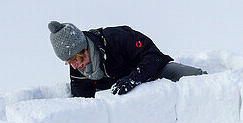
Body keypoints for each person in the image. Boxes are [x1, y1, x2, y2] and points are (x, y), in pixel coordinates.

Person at [47, 21, 205, 98]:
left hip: (153, 72)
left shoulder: (116, 38)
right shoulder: (79, 68)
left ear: (84, 49)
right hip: (128, 97)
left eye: (74, 60)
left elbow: (153, 56)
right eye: (68, 63)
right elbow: (81, 105)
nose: (74, 67)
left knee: (197, 79)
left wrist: (132, 80)